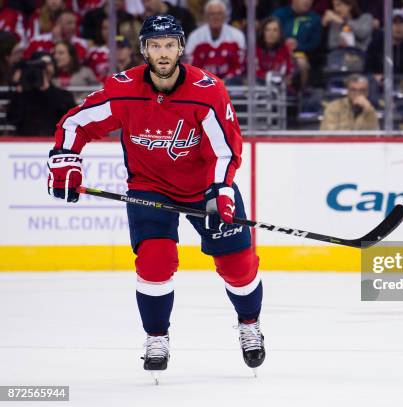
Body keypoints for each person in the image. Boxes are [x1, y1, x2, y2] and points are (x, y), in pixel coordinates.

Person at [46, 15, 265, 377]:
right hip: (150, 187)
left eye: (169, 45)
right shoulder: (123, 88)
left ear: (180, 48)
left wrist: (221, 190)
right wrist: (65, 158)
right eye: (155, 45)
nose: (162, 53)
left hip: (204, 187)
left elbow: (225, 150)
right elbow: (76, 122)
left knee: (238, 266)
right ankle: (156, 337)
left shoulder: (208, 92)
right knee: (154, 262)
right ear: (144, 50)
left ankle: (249, 324)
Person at [7, 56, 76, 135]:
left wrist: (47, 89)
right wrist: (18, 92)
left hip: (52, 140)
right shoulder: (22, 95)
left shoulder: (63, 95)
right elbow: (12, 119)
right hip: (24, 141)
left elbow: (69, 118)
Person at [185, 0, 246, 80]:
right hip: (203, 85)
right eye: (212, 14)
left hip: (232, 84)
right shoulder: (195, 37)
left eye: (219, 14)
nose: (216, 17)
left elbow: (239, 66)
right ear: (206, 16)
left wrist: (224, 82)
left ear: (225, 16)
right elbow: (192, 67)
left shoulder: (237, 35)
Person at [365, 10, 403, 74]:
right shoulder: (376, 45)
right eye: (395, 23)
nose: (399, 27)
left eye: (402, 23)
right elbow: (368, 69)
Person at [256, 16, 295, 86]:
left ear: (280, 33)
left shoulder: (285, 49)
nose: (271, 33)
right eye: (267, 30)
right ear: (262, 32)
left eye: (275, 30)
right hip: (259, 85)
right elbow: (254, 72)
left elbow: (289, 72)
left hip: (281, 86)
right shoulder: (254, 49)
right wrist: (269, 77)